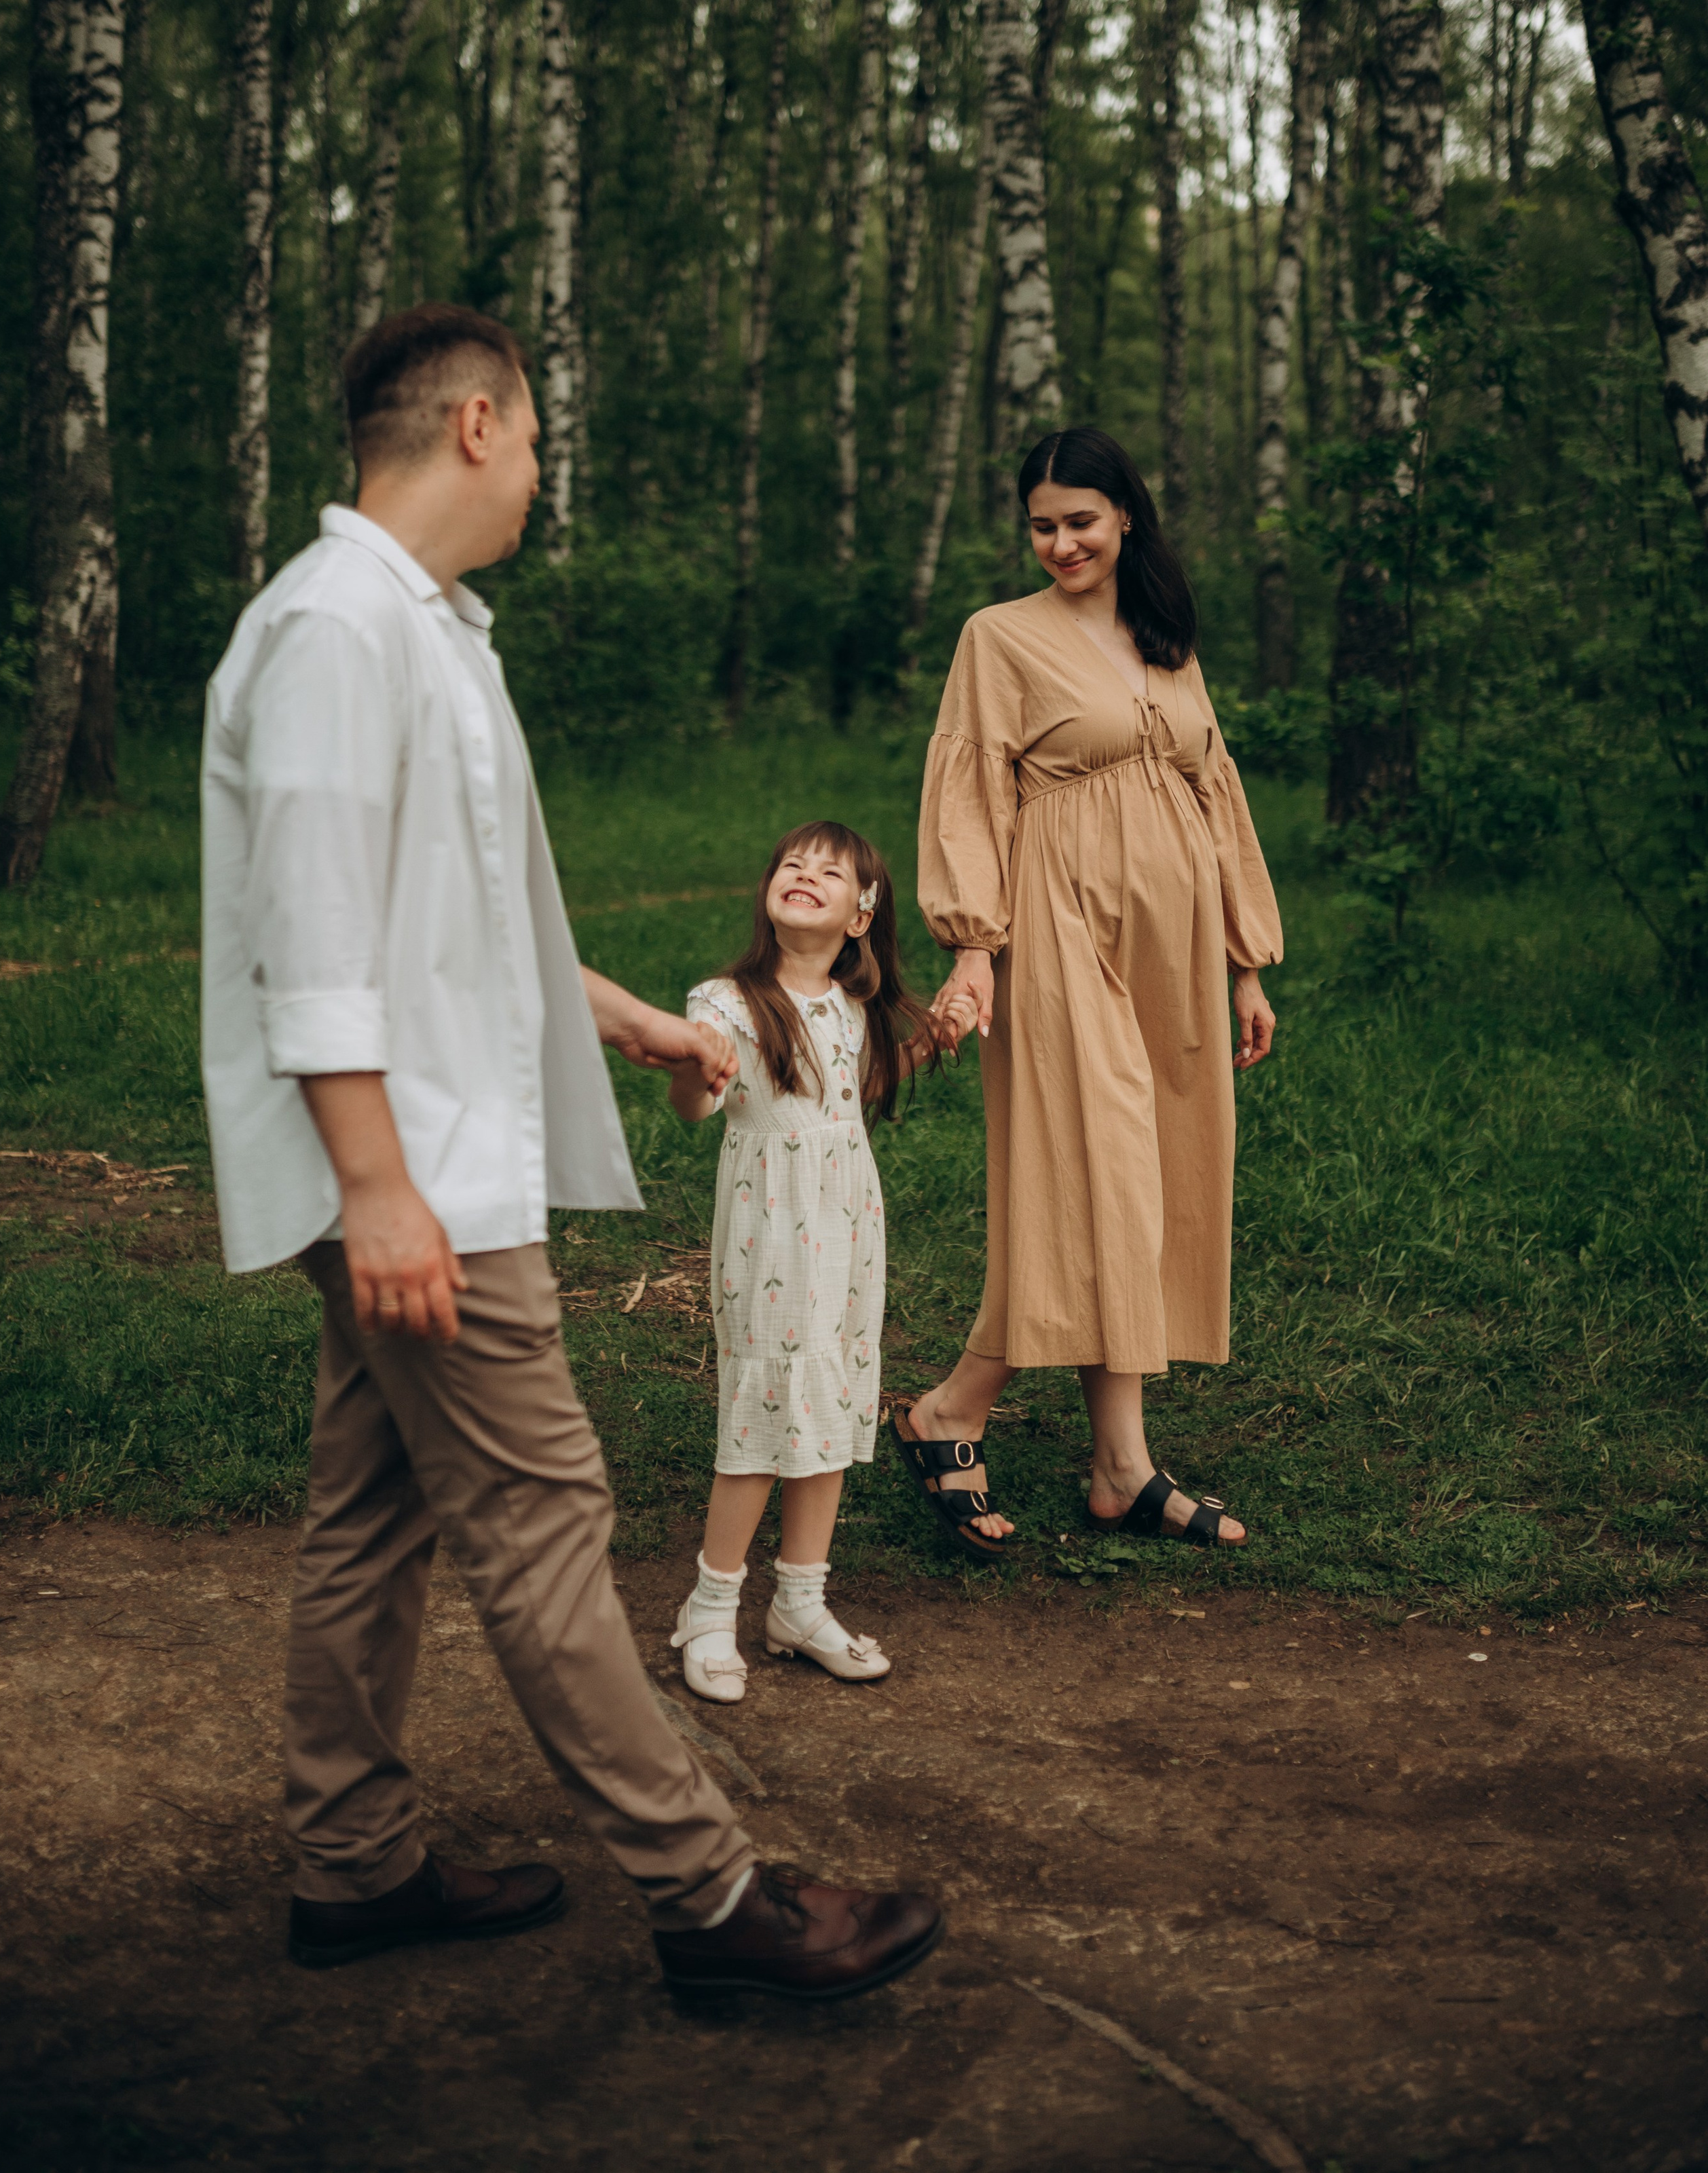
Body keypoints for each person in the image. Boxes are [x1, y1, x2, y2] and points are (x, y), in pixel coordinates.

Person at [199, 301, 942, 2003]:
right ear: (474, 424)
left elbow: (466, 918)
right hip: (418, 1174)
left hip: (426, 1148)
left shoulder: (434, 633)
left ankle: (352, 1863)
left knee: (372, 1515)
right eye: (533, 439)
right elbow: (312, 934)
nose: (539, 471)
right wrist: (378, 1187)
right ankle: (715, 1904)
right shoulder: (335, 629)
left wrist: (630, 1019)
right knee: (545, 1517)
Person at [891, 426, 1281, 1558]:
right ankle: (950, 1410)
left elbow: (1219, 791)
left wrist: (1245, 959)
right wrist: (975, 947)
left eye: (1081, 521)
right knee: (1093, 1165)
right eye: (1042, 525)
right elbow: (968, 784)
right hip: (1060, 925)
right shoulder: (999, 637)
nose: (1061, 542)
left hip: (1176, 945)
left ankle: (1121, 1465)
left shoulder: (1164, 634)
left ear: (1126, 520)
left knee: (1155, 1172)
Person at [663, 823, 942, 1702]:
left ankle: (800, 1601)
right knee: (762, 1407)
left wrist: (943, 1035)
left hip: (848, 1230)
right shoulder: (725, 1002)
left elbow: (847, 1096)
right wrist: (690, 1064)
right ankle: (709, 1611)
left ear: (862, 915)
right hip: (771, 1233)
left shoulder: (852, 1010)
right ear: (769, 893)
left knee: (830, 1398)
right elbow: (693, 1110)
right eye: (793, 864)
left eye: (831, 872)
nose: (805, 875)